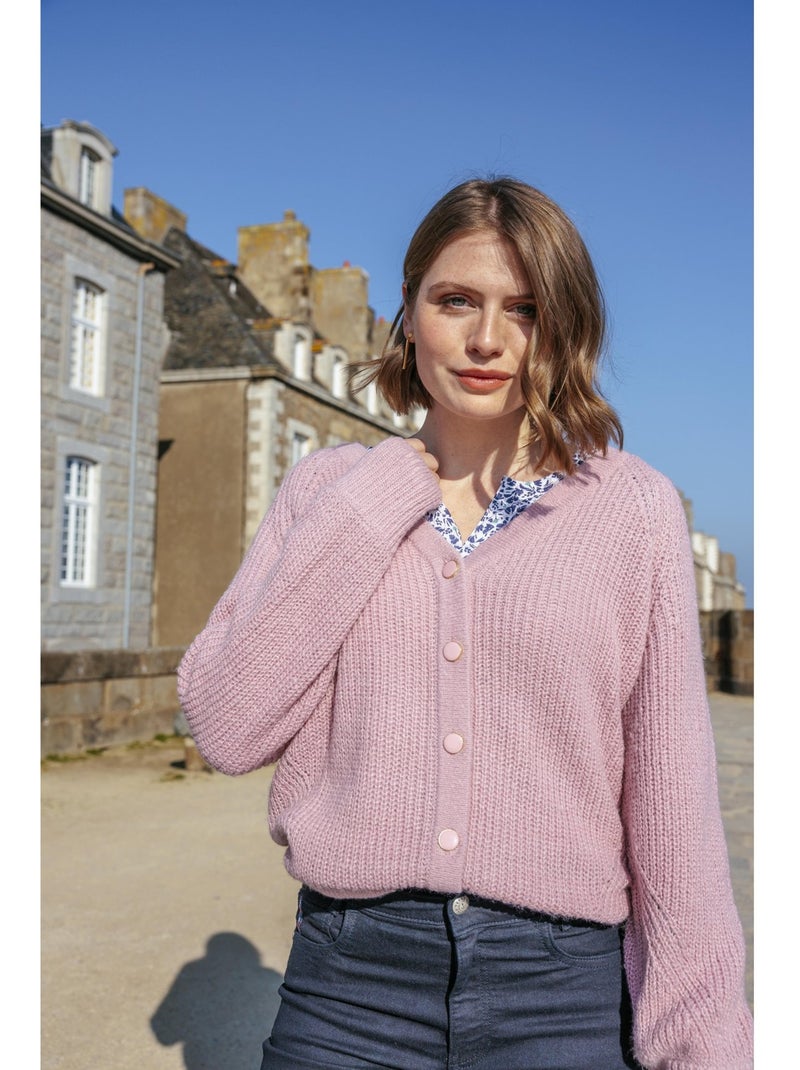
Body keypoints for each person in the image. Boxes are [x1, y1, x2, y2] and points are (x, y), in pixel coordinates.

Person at [177, 177, 754, 1069]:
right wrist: (382, 490)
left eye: (526, 310)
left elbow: (672, 803)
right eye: (456, 301)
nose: (488, 338)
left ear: (565, 328)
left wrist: (703, 1045)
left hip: (562, 993)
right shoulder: (331, 491)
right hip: (349, 988)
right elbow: (226, 723)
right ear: (409, 313)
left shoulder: (632, 509)